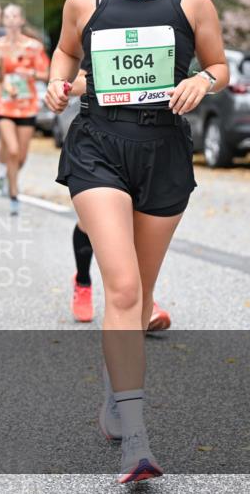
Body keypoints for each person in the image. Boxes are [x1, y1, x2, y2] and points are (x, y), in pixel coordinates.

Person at [45, 0, 227, 483]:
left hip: (164, 150)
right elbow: (66, 55)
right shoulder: (86, 0)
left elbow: (220, 66)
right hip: (99, 143)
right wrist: (58, 86)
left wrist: (203, 80)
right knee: (121, 286)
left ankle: (113, 393)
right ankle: (137, 441)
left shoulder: (191, 2)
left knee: (141, 299)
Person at [64, 70, 172, 330]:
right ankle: (83, 282)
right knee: (94, 225)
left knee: (140, 222)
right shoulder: (98, 31)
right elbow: (75, 80)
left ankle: (140, 298)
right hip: (101, 139)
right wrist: (67, 85)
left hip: (150, 140)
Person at [0, 4, 49, 216]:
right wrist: (2, 84)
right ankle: (14, 195)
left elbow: (46, 74)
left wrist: (31, 74)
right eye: (8, 16)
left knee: (21, 156)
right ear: (3, 21)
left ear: (22, 20)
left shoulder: (33, 47)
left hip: (27, 106)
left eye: (15, 15)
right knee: (12, 150)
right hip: (4, 104)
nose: (12, 19)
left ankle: (7, 176)